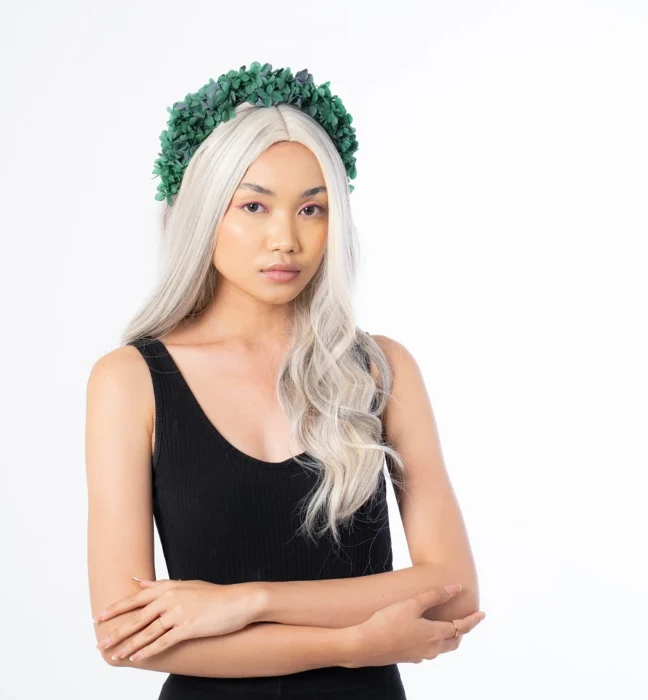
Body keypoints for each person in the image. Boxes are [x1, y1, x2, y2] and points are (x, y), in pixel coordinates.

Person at [85, 62, 485, 700]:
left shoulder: (382, 369)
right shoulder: (130, 381)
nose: (286, 239)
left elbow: (453, 589)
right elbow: (128, 635)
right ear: (203, 212)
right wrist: (354, 644)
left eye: (312, 208)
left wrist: (245, 603)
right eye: (254, 205)